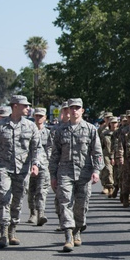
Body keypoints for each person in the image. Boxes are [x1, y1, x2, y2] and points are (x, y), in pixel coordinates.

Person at [0, 95, 42, 248]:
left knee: (17, 201)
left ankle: (12, 231)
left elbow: (36, 148)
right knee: (4, 198)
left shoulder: (31, 126)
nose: (28, 108)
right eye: (25, 106)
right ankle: (3, 233)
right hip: (3, 168)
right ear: (15, 106)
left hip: (22, 169)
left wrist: (35, 164)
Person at [50, 98, 104, 252]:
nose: (74, 110)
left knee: (81, 206)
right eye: (71, 108)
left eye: (77, 108)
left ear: (82, 110)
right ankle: (68, 236)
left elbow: (97, 152)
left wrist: (96, 170)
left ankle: (77, 230)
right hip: (65, 173)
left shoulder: (90, 129)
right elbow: (55, 155)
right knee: (65, 202)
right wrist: (53, 175)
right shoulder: (60, 131)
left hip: (84, 173)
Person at [26, 108, 52, 226]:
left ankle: (41, 214)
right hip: (29, 165)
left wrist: (48, 158)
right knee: (31, 191)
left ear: (45, 118)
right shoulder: (28, 130)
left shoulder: (48, 133)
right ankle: (33, 213)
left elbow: (51, 147)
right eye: (37, 116)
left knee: (42, 190)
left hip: (44, 165)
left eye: (41, 116)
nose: (39, 118)